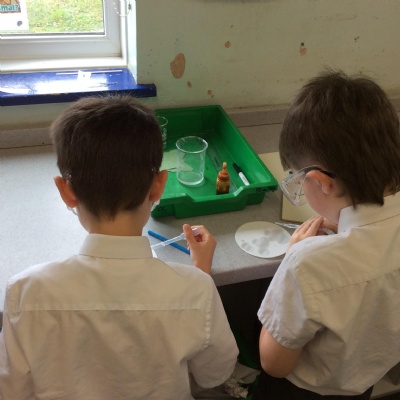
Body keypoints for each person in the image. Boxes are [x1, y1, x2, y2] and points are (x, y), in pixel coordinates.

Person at [0, 95, 238, 400]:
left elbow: (11, 391)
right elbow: (214, 374)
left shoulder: (25, 292)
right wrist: (200, 275)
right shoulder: (196, 290)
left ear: (66, 191)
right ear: (158, 186)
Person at [254, 70, 400, 399]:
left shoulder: (306, 264)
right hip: (362, 386)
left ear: (321, 182)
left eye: (299, 181)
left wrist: (292, 257)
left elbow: (274, 363)